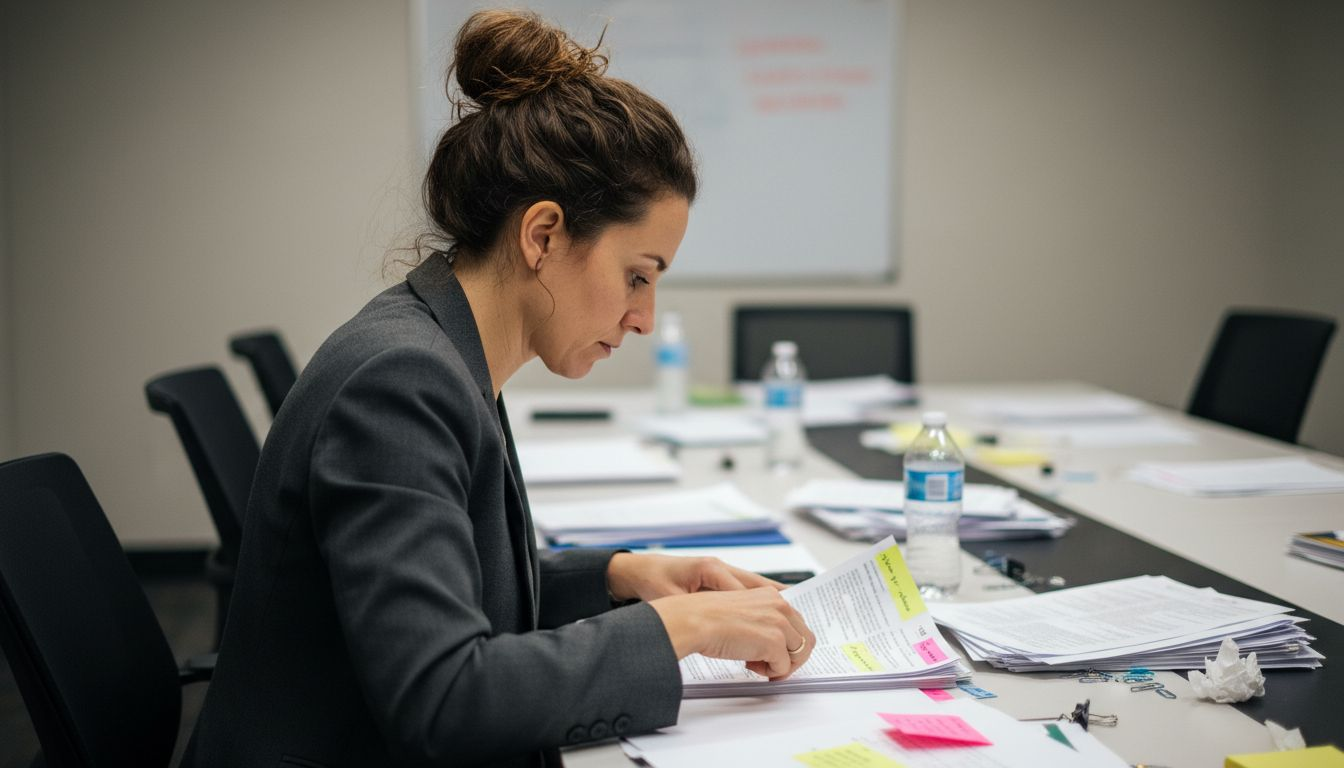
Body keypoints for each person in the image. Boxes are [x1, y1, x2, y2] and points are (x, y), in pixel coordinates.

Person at [182, 10, 815, 768]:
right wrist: (684, 629)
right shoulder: (399, 382)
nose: (644, 318)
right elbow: (444, 699)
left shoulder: (438, 346)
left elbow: (462, 586)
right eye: (636, 276)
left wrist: (625, 576)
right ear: (543, 236)